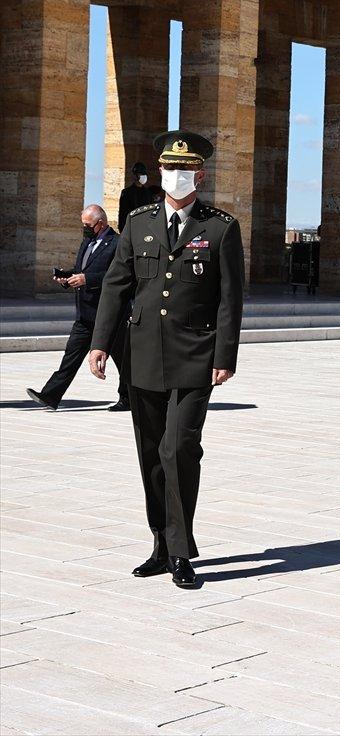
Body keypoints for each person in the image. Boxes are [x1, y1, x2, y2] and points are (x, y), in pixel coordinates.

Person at [87, 130, 244, 590]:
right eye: (168, 169)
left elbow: (231, 299)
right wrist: (99, 344)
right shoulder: (138, 222)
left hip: (196, 355)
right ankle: (160, 541)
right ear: (159, 173)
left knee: (178, 450)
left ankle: (181, 550)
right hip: (144, 356)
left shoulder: (220, 227)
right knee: (151, 453)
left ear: (201, 174)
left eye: (184, 170)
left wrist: (225, 354)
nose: (175, 177)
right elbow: (117, 286)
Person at [26, 205, 129, 413]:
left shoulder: (117, 243)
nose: (85, 228)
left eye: (88, 225)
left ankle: (128, 398)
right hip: (85, 315)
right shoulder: (87, 242)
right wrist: (67, 277)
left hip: (108, 315)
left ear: (100, 223)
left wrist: (87, 279)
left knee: (124, 360)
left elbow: (119, 276)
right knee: (70, 357)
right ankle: (50, 395)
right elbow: (81, 271)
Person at [117, 162, 161, 233]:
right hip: (131, 228)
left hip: (145, 228)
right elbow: (123, 213)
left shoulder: (148, 193)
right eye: (140, 174)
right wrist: (122, 229)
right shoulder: (127, 192)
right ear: (135, 176)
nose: (143, 176)